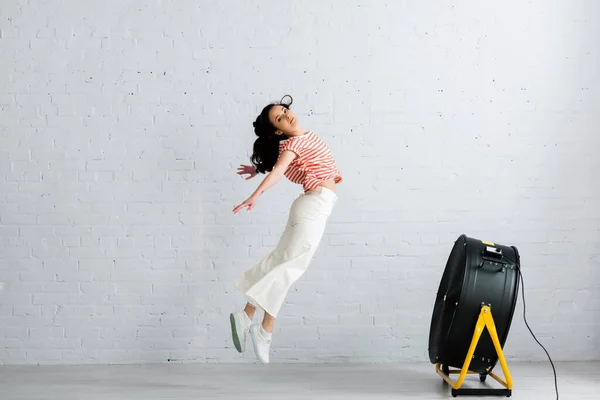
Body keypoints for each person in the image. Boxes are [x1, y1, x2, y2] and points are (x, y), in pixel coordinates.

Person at [230, 95, 342, 364]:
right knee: (290, 268)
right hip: (314, 206)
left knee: (281, 262)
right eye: (279, 118)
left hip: (310, 206)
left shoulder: (297, 142)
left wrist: (256, 169)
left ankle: (246, 314)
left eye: (284, 110)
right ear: (278, 130)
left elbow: (282, 164)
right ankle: (264, 330)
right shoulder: (293, 144)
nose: (286, 115)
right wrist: (255, 194)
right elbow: (279, 172)